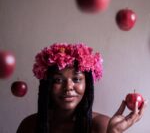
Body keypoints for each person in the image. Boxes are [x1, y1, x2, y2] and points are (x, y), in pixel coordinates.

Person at [17, 43, 147, 133]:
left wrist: (114, 132)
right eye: (58, 80)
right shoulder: (29, 126)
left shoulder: (102, 125)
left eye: (77, 79)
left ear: (87, 84)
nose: (68, 87)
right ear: (48, 85)